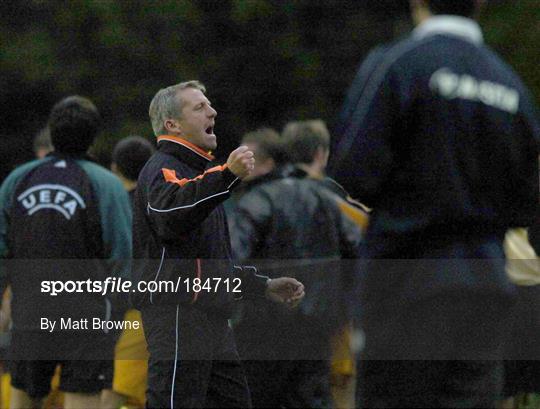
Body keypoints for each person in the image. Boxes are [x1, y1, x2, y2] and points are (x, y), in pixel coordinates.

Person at [330, 0, 539, 407]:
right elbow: (526, 200)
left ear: (418, 3)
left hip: (407, 282)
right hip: (487, 287)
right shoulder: (510, 84)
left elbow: (352, 167)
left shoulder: (398, 62)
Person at [132, 80, 305, 408]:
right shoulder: (163, 168)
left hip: (212, 316)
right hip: (178, 314)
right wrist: (227, 175)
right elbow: (170, 215)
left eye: (209, 104)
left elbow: (210, 258)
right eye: (199, 107)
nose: (212, 111)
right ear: (173, 125)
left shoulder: (203, 176)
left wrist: (261, 285)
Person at [0, 96, 132, 409]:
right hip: (85, 319)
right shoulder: (106, 184)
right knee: (82, 400)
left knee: (23, 398)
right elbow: (124, 259)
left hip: (29, 315)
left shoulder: (18, 179)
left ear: (52, 130)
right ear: (93, 137)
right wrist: (114, 319)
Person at [229, 119, 363, 408]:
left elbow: (231, 259)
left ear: (264, 163)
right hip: (318, 321)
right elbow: (357, 249)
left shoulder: (255, 201)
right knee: (313, 398)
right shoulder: (323, 196)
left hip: (262, 326)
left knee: (257, 398)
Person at [102, 135, 155, 409]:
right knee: (124, 388)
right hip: (144, 309)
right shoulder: (157, 207)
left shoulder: (107, 207)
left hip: (106, 306)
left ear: (114, 168)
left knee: (108, 387)